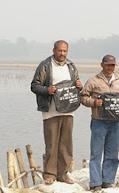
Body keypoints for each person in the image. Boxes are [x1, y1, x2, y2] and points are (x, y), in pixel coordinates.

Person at [31, 40, 82, 185]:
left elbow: (76, 85)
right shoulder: (45, 65)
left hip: (68, 110)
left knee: (66, 144)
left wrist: (79, 85)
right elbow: (34, 85)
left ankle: (63, 174)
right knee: (51, 143)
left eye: (65, 51)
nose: (62, 54)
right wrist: (47, 90)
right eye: (59, 51)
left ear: (68, 51)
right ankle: (50, 174)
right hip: (51, 111)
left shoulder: (71, 66)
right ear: (54, 50)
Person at [80, 55, 119, 191]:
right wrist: (94, 102)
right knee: (96, 153)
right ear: (102, 65)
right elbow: (83, 97)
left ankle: (108, 180)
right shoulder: (93, 81)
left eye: (113, 65)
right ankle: (95, 182)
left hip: (115, 123)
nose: (110, 67)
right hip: (98, 121)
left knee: (112, 153)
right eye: (108, 65)